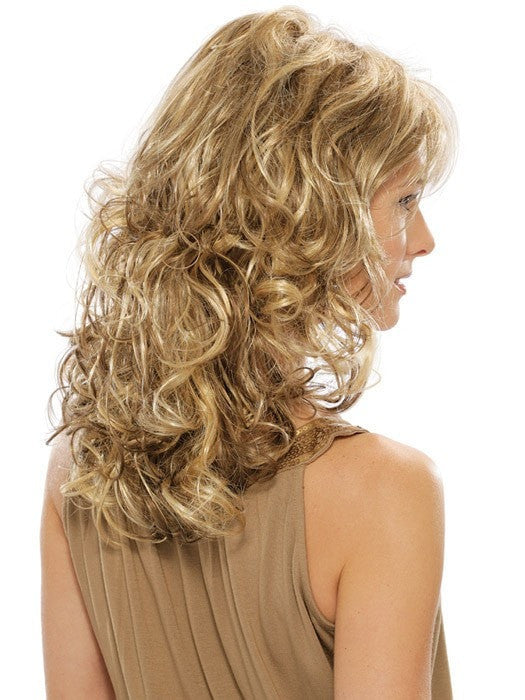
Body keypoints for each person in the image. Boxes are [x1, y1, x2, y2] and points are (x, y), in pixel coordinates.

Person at [40, 7, 458, 698]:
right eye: (406, 201)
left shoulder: (79, 470)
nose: (424, 240)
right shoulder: (386, 491)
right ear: (312, 217)